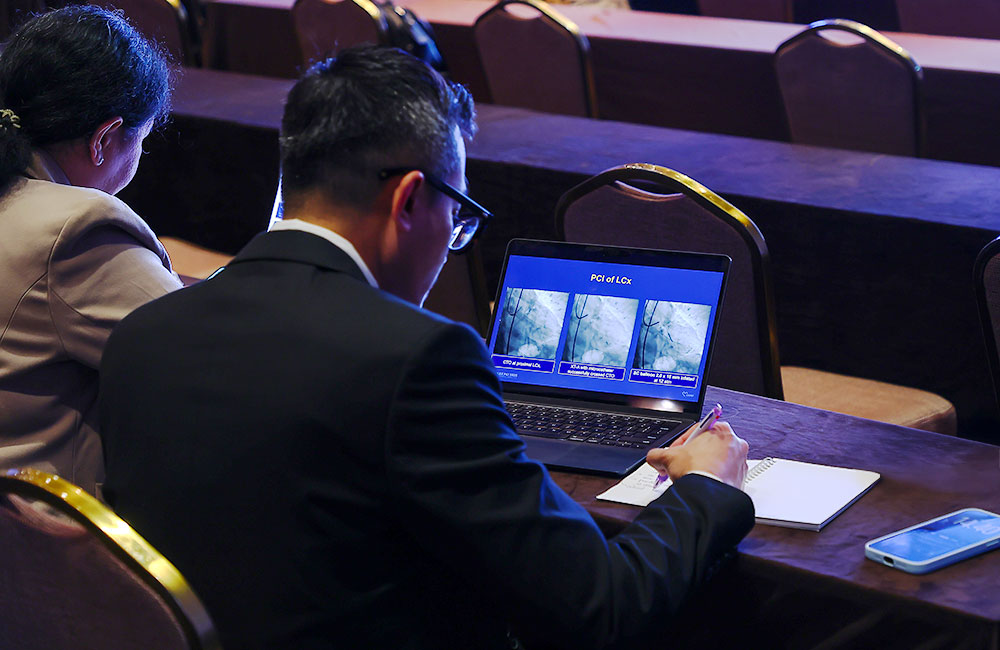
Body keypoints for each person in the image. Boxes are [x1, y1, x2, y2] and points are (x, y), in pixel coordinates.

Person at [99, 46, 754, 649]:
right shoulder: (417, 359)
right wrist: (706, 486)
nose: (451, 241)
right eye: (458, 215)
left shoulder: (145, 333)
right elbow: (603, 607)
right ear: (410, 199)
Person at [0, 6, 182, 495]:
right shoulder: (77, 229)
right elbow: (197, 354)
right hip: (39, 528)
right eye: (142, 138)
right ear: (104, 139)